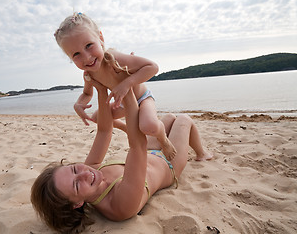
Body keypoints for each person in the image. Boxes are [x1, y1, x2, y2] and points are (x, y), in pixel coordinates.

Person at [30, 78, 213, 233]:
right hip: (169, 162)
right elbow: (136, 145)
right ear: (76, 204)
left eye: (74, 168)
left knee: (170, 117)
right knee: (183, 120)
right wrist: (130, 94)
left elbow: (103, 131)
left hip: (150, 150)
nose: (84, 173)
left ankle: (187, 144)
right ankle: (202, 153)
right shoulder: (120, 206)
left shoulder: (90, 171)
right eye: (77, 185)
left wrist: (101, 90)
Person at [53, 12, 176, 160]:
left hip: (142, 99)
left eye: (89, 45)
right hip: (122, 102)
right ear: (70, 58)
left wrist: (127, 83)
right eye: (76, 54)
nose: (86, 57)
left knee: (148, 126)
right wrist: (79, 104)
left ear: (100, 38)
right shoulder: (89, 74)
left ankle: (163, 139)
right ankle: (127, 129)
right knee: (96, 118)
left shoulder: (114, 58)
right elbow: (87, 93)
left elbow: (152, 67)